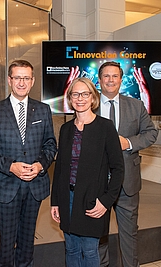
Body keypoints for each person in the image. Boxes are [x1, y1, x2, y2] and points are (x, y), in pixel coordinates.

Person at [0, 59, 57, 267]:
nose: (22, 82)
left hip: (35, 187)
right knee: (6, 243)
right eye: (17, 78)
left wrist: (40, 165)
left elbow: (50, 144)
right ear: (9, 80)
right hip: (6, 187)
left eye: (26, 78)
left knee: (27, 241)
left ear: (32, 81)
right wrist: (10, 166)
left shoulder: (43, 110)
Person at [50, 77, 124, 267]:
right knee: (71, 249)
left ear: (93, 98)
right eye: (75, 94)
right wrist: (55, 202)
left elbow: (118, 168)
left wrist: (106, 201)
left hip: (93, 201)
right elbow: (59, 169)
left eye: (85, 94)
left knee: (90, 250)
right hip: (67, 200)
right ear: (70, 98)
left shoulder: (106, 127)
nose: (80, 98)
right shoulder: (66, 129)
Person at [97, 61, 158, 267]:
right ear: (99, 80)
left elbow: (151, 133)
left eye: (115, 76)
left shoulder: (136, 105)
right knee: (98, 236)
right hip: (97, 184)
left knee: (130, 235)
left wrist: (129, 143)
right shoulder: (89, 105)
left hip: (127, 184)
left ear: (121, 80)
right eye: (106, 76)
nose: (110, 80)